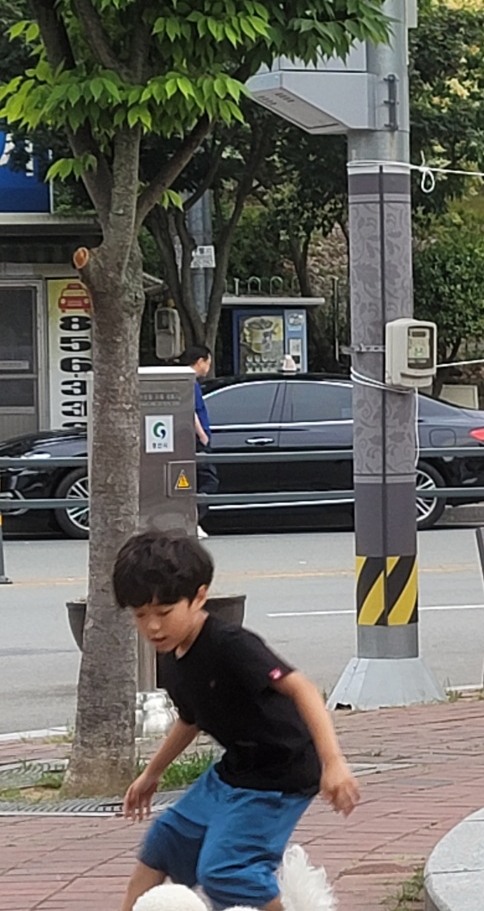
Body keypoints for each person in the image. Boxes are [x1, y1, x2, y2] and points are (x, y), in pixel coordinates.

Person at [115, 531, 360, 911]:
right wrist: (152, 773)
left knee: (227, 871)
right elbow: (190, 719)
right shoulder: (172, 654)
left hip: (281, 775)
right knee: (165, 840)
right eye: (140, 615)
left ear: (199, 597)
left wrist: (334, 762)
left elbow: (303, 689)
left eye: (164, 613)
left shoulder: (230, 644)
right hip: (235, 771)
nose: (153, 628)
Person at [179, 345, 218, 539]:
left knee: (194, 481)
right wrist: (202, 436)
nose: (208, 368)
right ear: (200, 361)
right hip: (196, 439)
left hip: (189, 438)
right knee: (209, 480)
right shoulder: (189, 382)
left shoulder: (186, 381)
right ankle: (192, 519)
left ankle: (191, 519)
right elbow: (192, 410)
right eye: (208, 363)